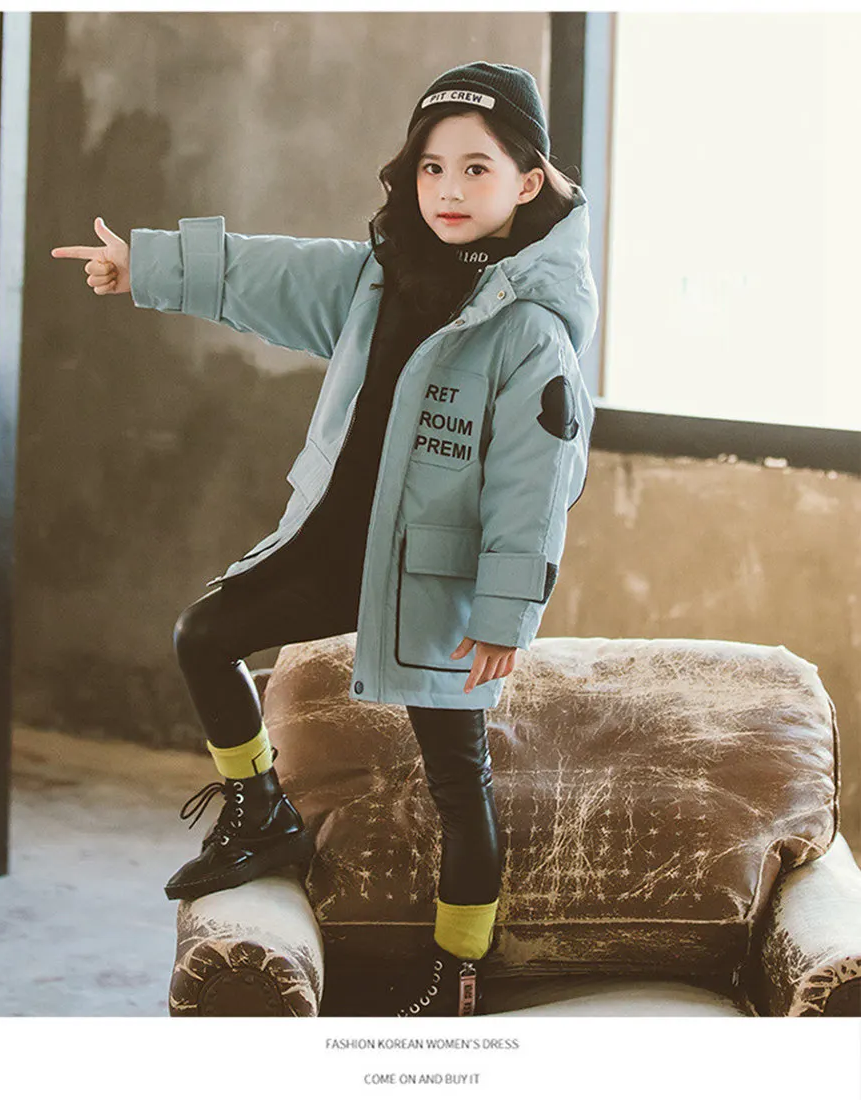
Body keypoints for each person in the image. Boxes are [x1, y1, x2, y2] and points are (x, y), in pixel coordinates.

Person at [50, 60, 599, 1017]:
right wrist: (147, 265)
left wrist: (506, 610)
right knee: (203, 635)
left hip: (433, 583)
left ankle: (458, 973)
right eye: (431, 168)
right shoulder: (381, 274)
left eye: (476, 168)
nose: (448, 190)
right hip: (333, 545)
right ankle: (261, 812)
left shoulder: (531, 334)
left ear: (528, 181)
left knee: (459, 789)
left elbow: (535, 486)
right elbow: (272, 272)